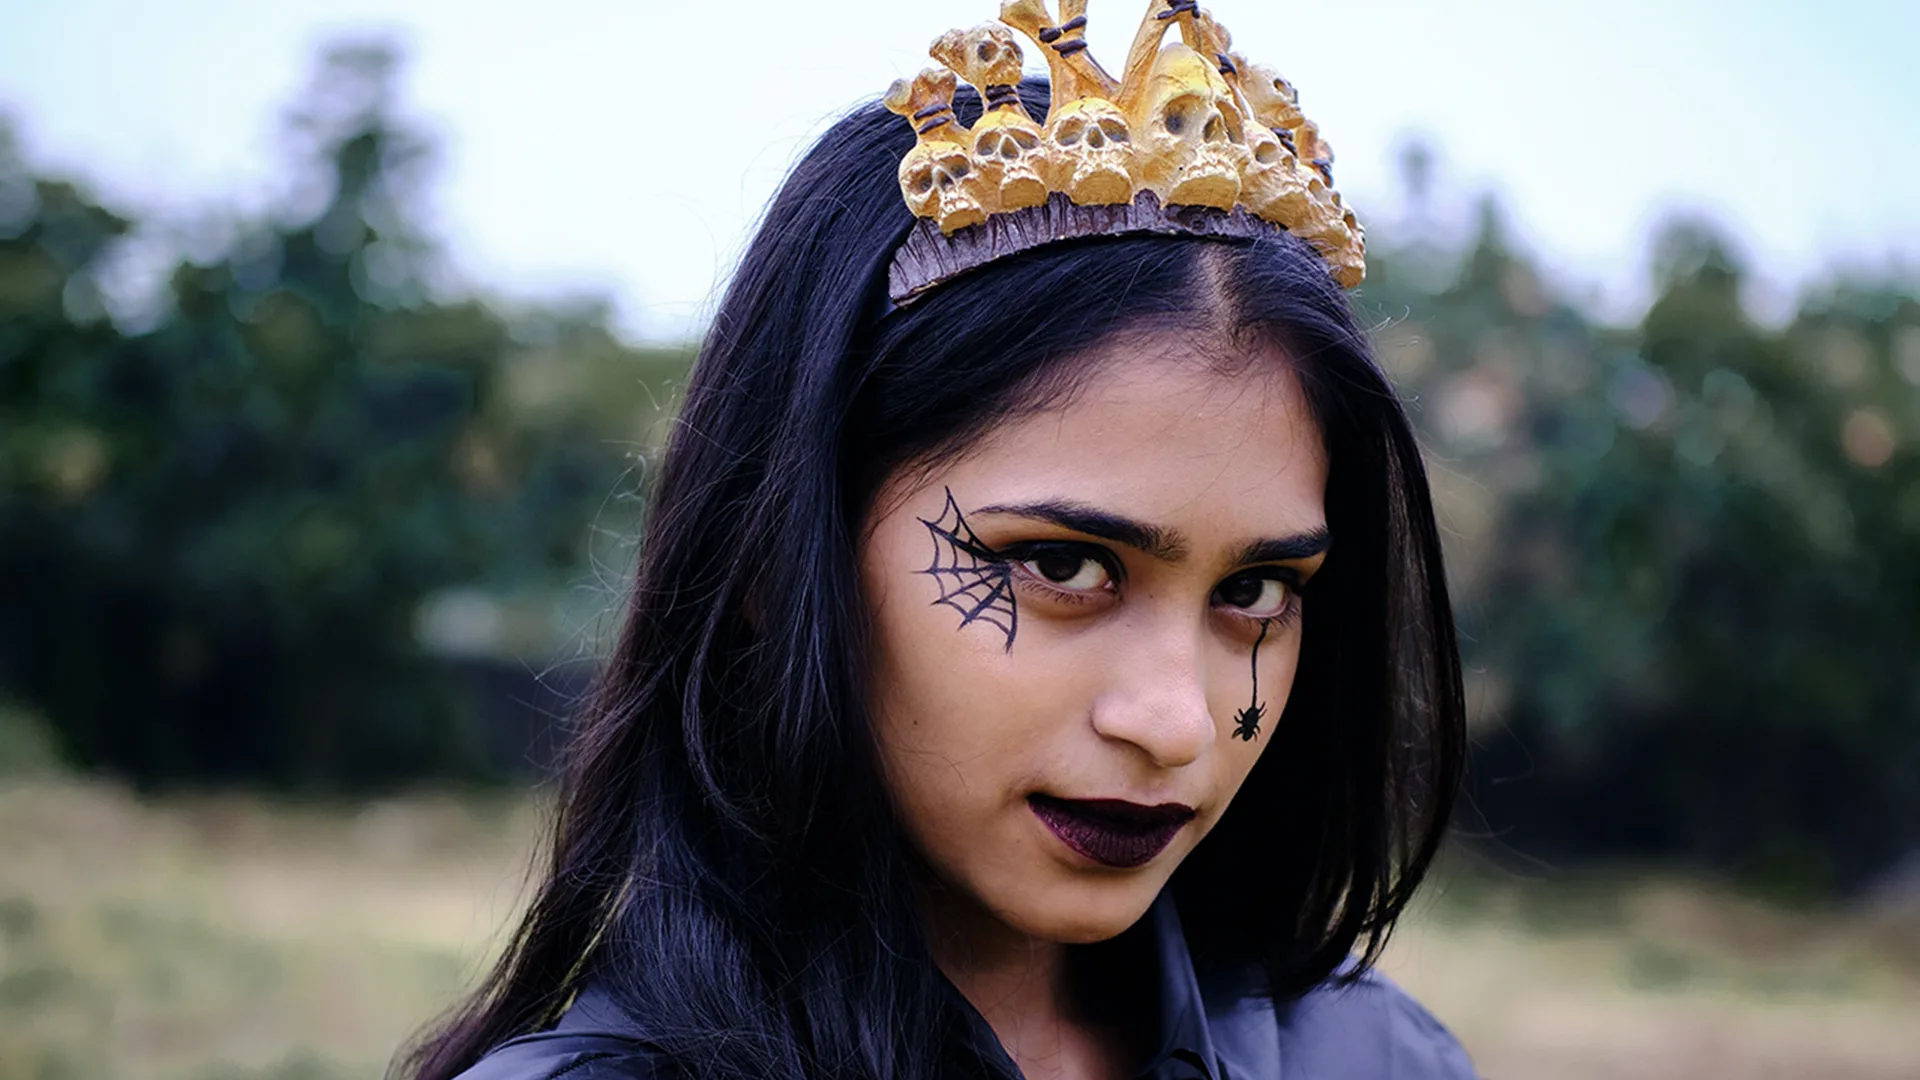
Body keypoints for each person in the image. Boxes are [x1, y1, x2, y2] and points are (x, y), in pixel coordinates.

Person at [400, 2, 1473, 1078]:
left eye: (1257, 590)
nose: (1178, 723)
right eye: (1065, 566)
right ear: (783, 558)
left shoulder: (1372, 1057)